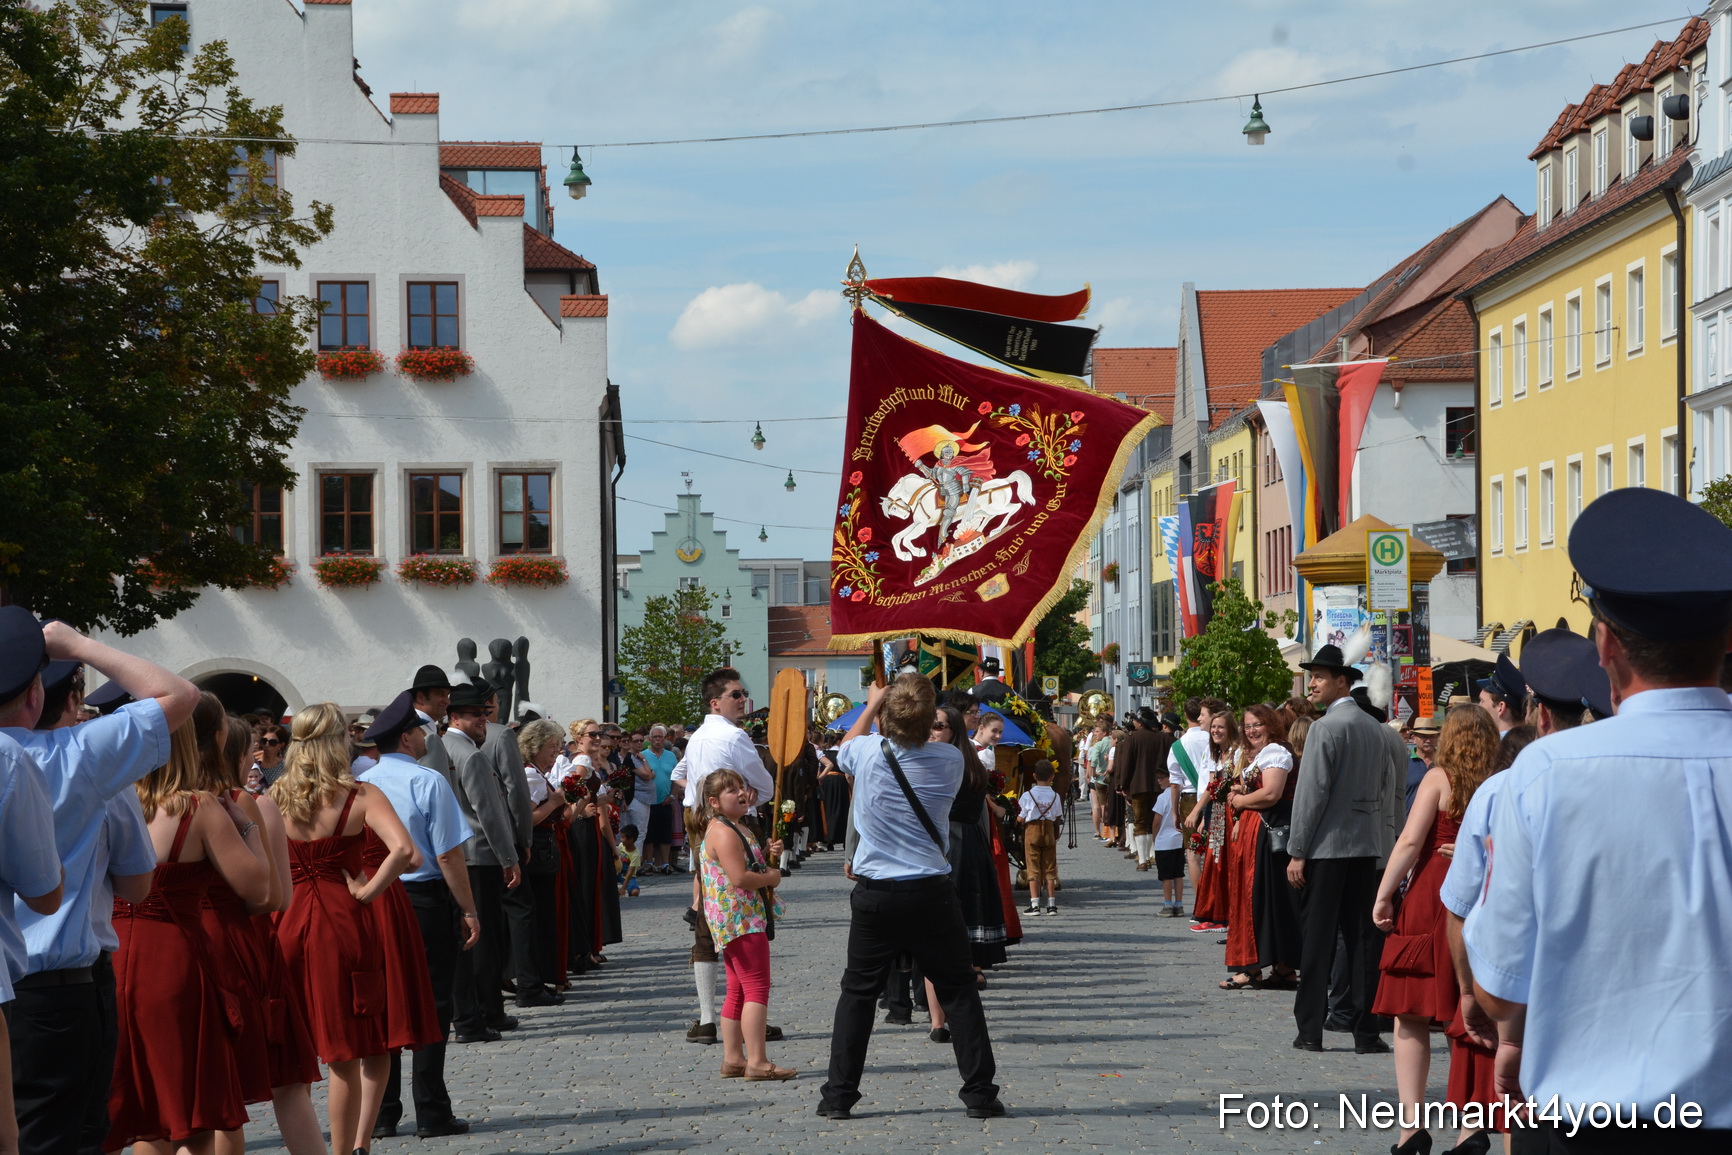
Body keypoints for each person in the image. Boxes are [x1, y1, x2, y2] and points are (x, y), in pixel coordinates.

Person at [1463, 489, 1732, 1152]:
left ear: (1605, 643)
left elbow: (1499, 987)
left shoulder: (1544, 774)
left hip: (1587, 1124)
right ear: (1727, 638)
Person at [0, 611, 190, 1155]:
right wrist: (78, 644)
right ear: (37, 695)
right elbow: (178, 695)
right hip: (62, 986)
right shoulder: (78, 755)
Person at [818, 675, 1002, 1121]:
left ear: (887, 716)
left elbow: (847, 742)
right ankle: (979, 1093)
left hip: (876, 892)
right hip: (931, 891)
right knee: (958, 991)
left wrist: (873, 703)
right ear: (929, 719)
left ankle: (839, 1096)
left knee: (858, 995)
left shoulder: (863, 752)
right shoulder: (949, 759)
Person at [108, 718, 272, 1153]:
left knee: (142, 1108)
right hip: (174, 962)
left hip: (111, 957)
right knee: (190, 1111)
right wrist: (249, 829)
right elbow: (260, 888)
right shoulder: (197, 808)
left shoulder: (112, 800)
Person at [273, 702, 417, 1154]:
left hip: (287, 921)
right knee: (345, 1049)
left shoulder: (272, 797)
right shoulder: (359, 795)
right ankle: (349, 1150)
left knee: (293, 1050)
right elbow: (404, 851)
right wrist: (370, 891)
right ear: (340, 742)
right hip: (343, 922)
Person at [195, 704, 325, 1155]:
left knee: (214, 1089)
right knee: (287, 1081)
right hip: (247, 944)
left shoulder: (168, 804)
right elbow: (277, 899)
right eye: (251, 750)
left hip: (193, 945)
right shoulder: (254, 807)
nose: (257, 758)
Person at [1372, 704, 1499, 1155]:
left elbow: (1409, 841)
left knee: (1411, 1012)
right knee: (1473, 1014)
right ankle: (1472, 1126)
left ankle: (1411, 1129)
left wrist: (1384, 894)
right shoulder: (1500, 780)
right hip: (1483, 896)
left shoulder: (1438, 778)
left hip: (1431, 896)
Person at [361, 692, 481, 1142]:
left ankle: (384, 1111)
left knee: (388, 1000)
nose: (424, 737)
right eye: (419, 730)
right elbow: (449, 855)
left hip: (381, 900)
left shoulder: (365, 782)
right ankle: (431, 1110)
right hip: (426, 899)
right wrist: (468, 909)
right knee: (434, 1003)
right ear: (408, 738)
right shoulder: (428, 781)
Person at [1287, 642, 1397, 1055]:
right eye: (1310, 676)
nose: (1311, 683)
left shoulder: (1325, 729)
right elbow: (1385, 791)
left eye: (1319, 677)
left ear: (1341, 682)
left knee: (1318, 939)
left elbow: (1311, 794)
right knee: (1362, 941)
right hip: (1365, 848)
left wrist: (1298, 850)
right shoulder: (1375, 728)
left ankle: (1311, 1029)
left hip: (1328, 850)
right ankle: (1366, 1031)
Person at [670, 668, 774, 1045]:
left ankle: (708, 1017)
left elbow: (680, 774)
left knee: (709, 914)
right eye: (735, 694)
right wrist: (737, 805)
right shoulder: (733, 736)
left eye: (743, 692)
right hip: (727, 824)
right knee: (746, 913)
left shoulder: (696, 736)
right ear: (715, 702)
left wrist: (702, 799)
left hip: (700, 820)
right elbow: (766, 786)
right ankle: (747, 1013)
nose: (742, 699)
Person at [695, 770, 791, 1081]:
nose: (741, 794)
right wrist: (771, 878)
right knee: (756, 988)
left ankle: (734, 1058)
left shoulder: (736, 827)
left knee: (737, 989)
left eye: (741, 787)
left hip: (736, 918)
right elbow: (739, 878)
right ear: (714, 802)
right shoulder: (722, 831)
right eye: (730, 791)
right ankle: (758, 1062)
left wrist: (766, 854)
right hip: (740, 919)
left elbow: (745, 862)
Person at [442, 681, 521, 1044]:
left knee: (468, 938)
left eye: (484, 713)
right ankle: (488, 1010)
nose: (483, 721)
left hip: (459, 855)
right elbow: (489, 813)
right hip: (480, 854)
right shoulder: (471, 755)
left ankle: (475, 1011)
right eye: (476, 714)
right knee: (484, 939)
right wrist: (510, 856)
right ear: (455, 716)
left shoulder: (441, 748)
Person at [924, 704, 1005, 1035]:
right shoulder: (969, 760)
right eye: (929, 726)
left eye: (938, 726)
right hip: (961, 843)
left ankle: (945, 1016)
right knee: (944, 939)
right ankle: (938, 1020)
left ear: (953, 730)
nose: (931, 731)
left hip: (952, 845)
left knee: (946, 937)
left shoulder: (952, 763)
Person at [1221, 704, 1297, 990]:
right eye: (1248, 726)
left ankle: (1255, 968)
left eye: (1258, 725)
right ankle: (1280, 968)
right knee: (1266, 900)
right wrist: (1242, 790)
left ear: (1271, 725)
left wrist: (1241, 801)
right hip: (1258, 834)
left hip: (1268, 836)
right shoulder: (1265, 754)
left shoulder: (1276, 751)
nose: (1252, 730)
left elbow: (1272, 793)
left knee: (1261, 900)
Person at [515, 718, 569, 1001]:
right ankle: (532, 980)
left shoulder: (534, 773)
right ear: (535, 747)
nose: (556, 754)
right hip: (536, 851)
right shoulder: (531, 776)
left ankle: (537, 978)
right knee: (537, 915)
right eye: (552, 748)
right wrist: (555, 802)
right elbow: (528, 819)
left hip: (540, 849)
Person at [1185, 707, 1238, 933]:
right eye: (1213, 727)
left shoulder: (1237, 753)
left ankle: (1224, 915)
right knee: (1214, 862)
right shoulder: (1219, 753)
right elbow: (1212, 785)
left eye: (1220, 727)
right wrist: (1203, 814)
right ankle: (1215, 912)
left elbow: (1221, 785)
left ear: (1230, 729)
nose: (1216, 731)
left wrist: (1197, 810)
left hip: (1229, 813)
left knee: (1223, 863)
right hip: (1216, 813)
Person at [1112, 708, 1173, 872]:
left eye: (1135, 721)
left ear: (1140, 722)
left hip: (1138, 786)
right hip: (1159, 786)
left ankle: (1143, 859)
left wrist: (1123, 785)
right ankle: (1153, 854)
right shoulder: (1163, 738)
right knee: (1154, 821)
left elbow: (1127, 765)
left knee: (1140, 823)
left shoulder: (1133, 739)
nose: (1134, 723)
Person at [1167, 697, 1216, 896]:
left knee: (1193, 852)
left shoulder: (1178, 746)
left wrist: (1174, 812)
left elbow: (1174, 782)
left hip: (1188, 799)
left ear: (1186, 716)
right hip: (1213, 795)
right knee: (1215, 849)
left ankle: (1200, 900)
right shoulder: (1213, 737)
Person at [1017, 762, 1063, 915]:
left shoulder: (1027, 795)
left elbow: (1021, 818)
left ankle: (1035, 904)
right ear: (1052, 777)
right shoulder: (1055, 795)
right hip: (1049, 830)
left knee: (1033, 867)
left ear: (1034, 776)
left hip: (1032, 830)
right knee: (1050, 867)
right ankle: (1051, 905)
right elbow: (1057, 815)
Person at [640, 726, 679, 874]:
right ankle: (649, 862)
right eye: (654, 737)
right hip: (648, 800)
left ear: (664, 739)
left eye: (660, 737)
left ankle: (665, 863)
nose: (657, 740)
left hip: (666, 800)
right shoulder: (642, 755)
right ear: (650, 739)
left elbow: (676, 778)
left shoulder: (670, 756)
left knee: (665, 834)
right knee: (649, 834)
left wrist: (672, 796)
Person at [1151, 766, 1186, 916]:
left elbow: (1156, 821)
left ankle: (1167, 905)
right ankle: (1179, 904)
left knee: (1166, 876)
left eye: (1161, 778)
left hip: (1164, 842)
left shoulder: (1163, 797)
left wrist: (1154, 837)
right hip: (1179, 839)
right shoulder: (1182, 795)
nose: (1159, 781)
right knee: (1178, 874)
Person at [1474, 654, 1527, 736]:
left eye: (1482, 701)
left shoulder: (1495, 747)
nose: (1478, 705)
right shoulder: (1530, 742)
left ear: (1501, 708)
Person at [1404, 716, 1440, 816]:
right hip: (1409, 822)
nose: (1428, 740)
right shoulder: (1405, 763)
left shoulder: (1444, 763)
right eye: (1423, 736)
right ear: (1413, 739)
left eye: (1432, 736)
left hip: (1438, 826)